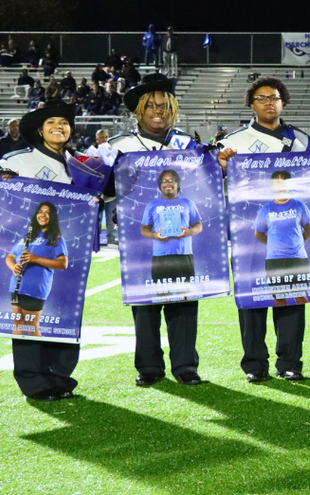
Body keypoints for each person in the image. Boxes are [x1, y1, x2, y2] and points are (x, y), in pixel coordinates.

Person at [106, 74, 202, 387]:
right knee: (145, 305)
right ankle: (149, 367)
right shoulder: (119, 147)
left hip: (181, 244)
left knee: (183, 303)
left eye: (164, 105)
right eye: (151, 106)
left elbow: (206, 187)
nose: (158, 111)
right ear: (139, 111)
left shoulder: (187, 145)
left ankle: (185, 366)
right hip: (139, 240)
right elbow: (104, 189)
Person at [0, 100, 80, 401]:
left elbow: (100, 196)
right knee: (26, 322)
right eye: (52, 122)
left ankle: (61, 378)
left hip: (69, 248)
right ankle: (34, 382)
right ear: (40, 130)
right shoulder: (20, 161)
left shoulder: (81, 162)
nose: (60, 127)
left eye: (65, 122)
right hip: (32, 246)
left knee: (67, 315)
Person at [238, 170, 310, 382]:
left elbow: (309, 230)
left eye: (284, 183)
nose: (281, 186)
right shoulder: (266, 209)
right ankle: (257, 366)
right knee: (278, 300)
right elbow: (258, 233)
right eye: (277, 183)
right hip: (274, 261)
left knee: (297, 303)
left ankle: (289, 364)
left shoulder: (299, 205)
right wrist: (276, 248)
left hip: (298, 260)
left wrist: (294, 247)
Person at [138, 168, 204, 380]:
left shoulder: (187, 203)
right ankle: (150, 369)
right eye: (165, 181)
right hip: (160, 259)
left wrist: (188, 232)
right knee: (150, 311)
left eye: (172, 181)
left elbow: (198, 225)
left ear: (177, 184)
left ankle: (185, 368)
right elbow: (144, 230)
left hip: (183, 257)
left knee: (184, 311)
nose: (168, 184)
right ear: (160, 185)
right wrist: (155, 236)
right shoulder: (152, 205)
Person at [7, 202, 67, 338]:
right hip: (16, 287)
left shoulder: (55, 238)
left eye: (47, 212)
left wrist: (35, 259)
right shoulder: (28, 236)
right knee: (18, 325)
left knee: (32, 327)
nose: (43, 215)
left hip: (34, 289)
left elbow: (63, 264)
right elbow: (10, 256)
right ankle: (20, 358)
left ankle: (40, 358)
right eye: (40, 212)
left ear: (52, 217)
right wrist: (13, 266)